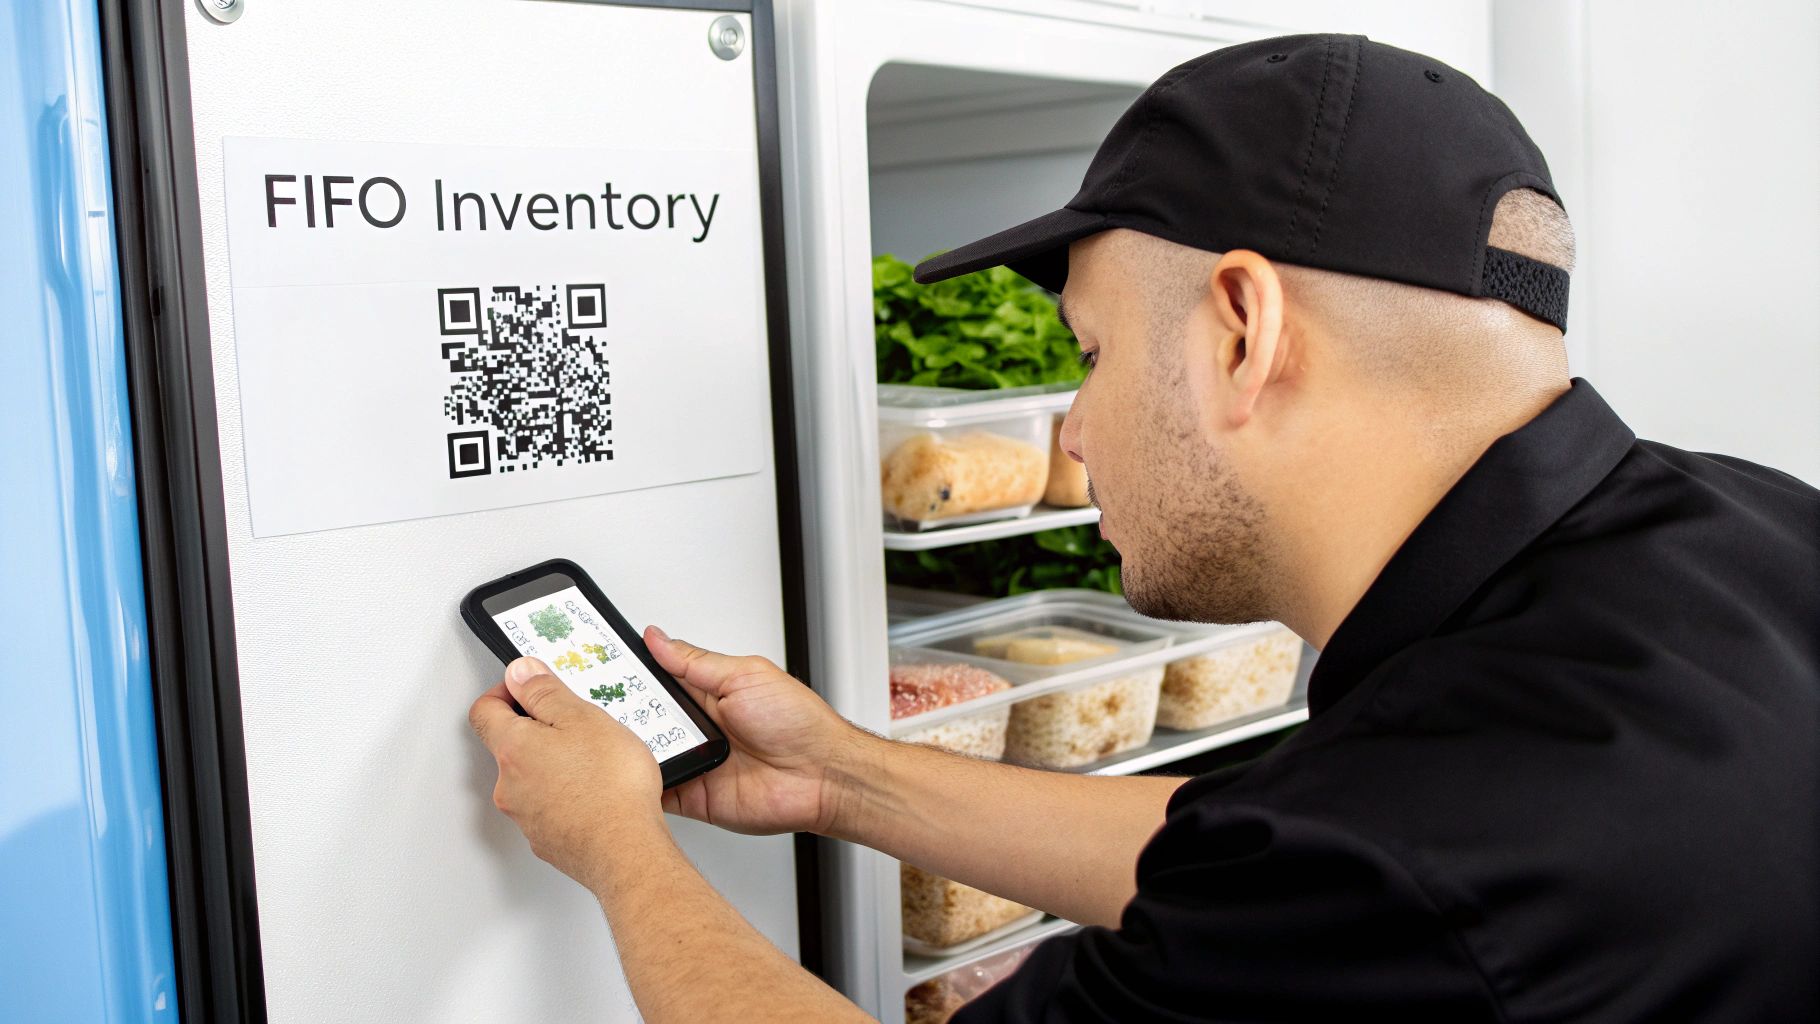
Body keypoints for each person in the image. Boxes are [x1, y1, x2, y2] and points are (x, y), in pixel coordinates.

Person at [467, 33, 1819, 1023]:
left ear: (1244, 331)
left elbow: (1344, 878)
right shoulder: (1756, 530)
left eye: (1093, 355)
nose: (1070, 435)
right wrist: (838, 776)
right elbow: (1253, 864)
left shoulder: (1417, 854)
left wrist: (620, 849)